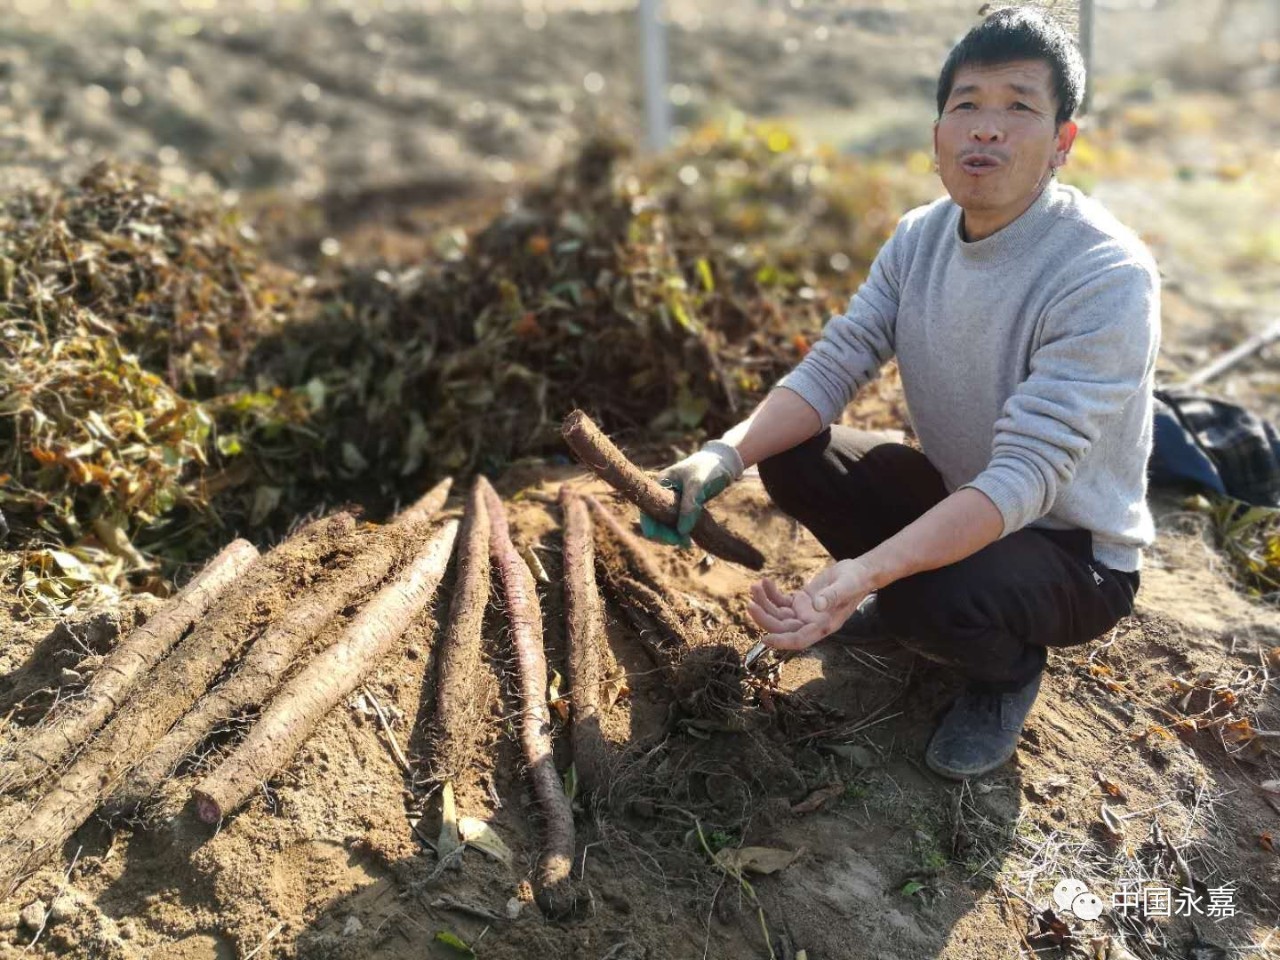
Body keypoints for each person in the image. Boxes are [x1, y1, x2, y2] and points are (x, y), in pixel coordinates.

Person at [640, 8, 1160, 780]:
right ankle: (916, 594)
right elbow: (836, 362)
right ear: (937, 134)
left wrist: (865, 573)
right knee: (795, 456)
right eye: (966, 104)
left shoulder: (1104, 275)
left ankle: (1006, 674)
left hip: (1071, 553)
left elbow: (1026, 478)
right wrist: (721, 457)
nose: (986, 128)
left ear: (1062, 143)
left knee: (927, 599)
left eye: (1019, 105)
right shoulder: (921, 236)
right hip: (966, 495)